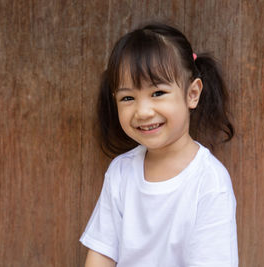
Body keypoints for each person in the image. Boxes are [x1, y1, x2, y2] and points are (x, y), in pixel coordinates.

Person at [80, 22, 238, 267]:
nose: (143, 112)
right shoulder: (121, 173)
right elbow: (101, 254)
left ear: (192, 94)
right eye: (128, 98)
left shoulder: (209, 181)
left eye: (157, 93)